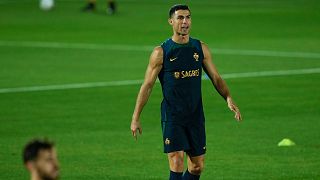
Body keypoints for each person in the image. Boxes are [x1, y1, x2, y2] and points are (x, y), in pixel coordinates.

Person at [130, 4, 242, 180]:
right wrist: (136, 117)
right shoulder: (161, 52)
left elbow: (216, 78)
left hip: (195, 115)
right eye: (180, 18)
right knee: (176, 162)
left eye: (188, 17)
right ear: (171, 21)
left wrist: (228, 97)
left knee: (197, 167)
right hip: (173, 115)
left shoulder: (200, 48)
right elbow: (148, 85)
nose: (185, 22)